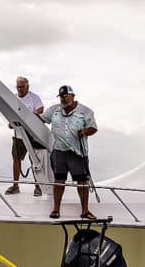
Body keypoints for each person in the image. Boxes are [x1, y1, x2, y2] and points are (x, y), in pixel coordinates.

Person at [40, 85, 98, 219]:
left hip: (77, 152)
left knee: (82, 182)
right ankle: (56, 209)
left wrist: (84, 131)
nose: (63, 100)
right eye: (61, 97)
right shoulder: (54, 110)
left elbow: (93, 128)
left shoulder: (86, 111)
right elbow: (41, 118)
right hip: (59, 151)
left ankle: (85, 211)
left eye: (66, 96)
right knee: (59, 180)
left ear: (73, 96)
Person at [5, 76, 45, 196]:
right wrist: (11, 123)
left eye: (22, 87)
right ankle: (16, 185)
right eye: (18, 87)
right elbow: (8, 113)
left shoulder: (34, 97)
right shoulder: (13, 98)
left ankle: (38, 186)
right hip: (18, 135)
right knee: (16, 159)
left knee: (34, 160)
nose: (19, 89)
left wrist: (29, 117)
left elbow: (41, 109)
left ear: (27, 86)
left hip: (32, 135)